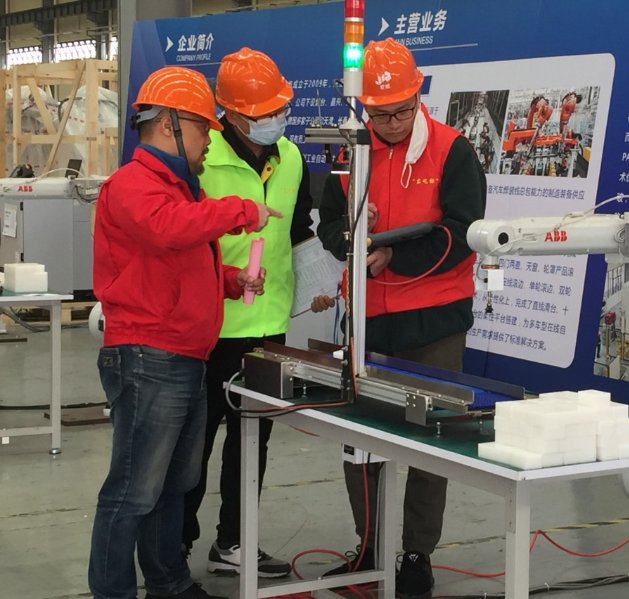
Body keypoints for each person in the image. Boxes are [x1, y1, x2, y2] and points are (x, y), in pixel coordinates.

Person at [89, 66, 281, 599]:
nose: (208, 143)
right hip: (149, 356)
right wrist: (242, 210)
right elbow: (167, 230)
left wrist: (231, 280)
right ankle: (113, 591)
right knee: (134, 490)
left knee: (175, 484)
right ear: (169, 124)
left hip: (183, 355)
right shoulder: (133, 184)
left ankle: (168, 581)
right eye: (203, 129)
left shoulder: (178, 190)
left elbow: (179, 262)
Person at [312, 38, 486, 599]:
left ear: (418, 97)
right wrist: (348, 238)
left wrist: (394, 255)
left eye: (402, 111)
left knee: (430, 439)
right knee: (359, 435)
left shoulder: (452, 151)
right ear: (364, 106)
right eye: (380, 114)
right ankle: (369, 546)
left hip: (433, 320)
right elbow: (328, 221)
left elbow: (462, 233)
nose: (391, 124)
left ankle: (417, 554)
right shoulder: (350, 150)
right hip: (366, 318)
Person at [180, 47, 314, 579]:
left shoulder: (292, 157)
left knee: (251, 440)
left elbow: (299, 231)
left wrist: (322, 282)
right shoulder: (201, 158)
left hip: (268, 324)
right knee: (194, 442)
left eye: (279, 108)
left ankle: (235, 541)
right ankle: (175, 543)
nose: (275, 119)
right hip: (211, 324)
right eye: (263, 112)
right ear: (231, 113)